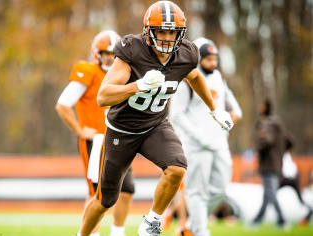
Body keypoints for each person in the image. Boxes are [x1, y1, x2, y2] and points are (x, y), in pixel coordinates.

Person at [76, 1, 234, 236]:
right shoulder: (132, 50)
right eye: (161, 31)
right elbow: (103, 96)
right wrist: (137, 86)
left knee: (177, 168)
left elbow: (195, 76)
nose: (167, 38)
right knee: (105, 200)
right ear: (149, 31)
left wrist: (213, 109)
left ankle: (151, 222)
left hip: (155, 125)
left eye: (172, 32)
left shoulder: (186, 54)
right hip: (122, 130)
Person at [55, 30, 134, 236]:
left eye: (114, 53)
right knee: (96, 192)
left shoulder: (124, 74)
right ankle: (91, 233)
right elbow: (63, 105)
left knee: (126, 190)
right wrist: (80, 130)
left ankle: (118, 232)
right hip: (97, 141)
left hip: (120, 139)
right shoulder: (88, 71)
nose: (110, 57)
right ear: (97, 53)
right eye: (106, 53)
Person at [168, 37, 242, 236]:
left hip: (219, 144)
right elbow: (176, 114)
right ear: (198, 58)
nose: (213, 63)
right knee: (196, 191)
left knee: (220, 188)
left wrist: (232, 117)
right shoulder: (186, 80)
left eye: (215, 58)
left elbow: (235, 109)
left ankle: (190, 227)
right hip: (195, 146)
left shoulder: (218, 77)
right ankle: (200, 230)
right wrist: (198, 135)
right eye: (208, 59)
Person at [251, 99, 287, 228]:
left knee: (270, 193)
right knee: (268, 194)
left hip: (268, 164)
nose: (260, 108)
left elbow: (267, 140)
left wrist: (257, 148)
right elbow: (289, 141)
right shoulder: (278, 122)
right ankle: (257, 220)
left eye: (262, 106)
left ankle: (282, 220)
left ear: (266, 108)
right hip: (276, 163)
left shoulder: (268, 123)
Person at [279, 138, 313, 227]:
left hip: (287, 179)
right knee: (300, 200)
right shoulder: (288, 155)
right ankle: (309, 212)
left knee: (272, 197)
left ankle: (282, 221)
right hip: (294, 179)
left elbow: (285, 170)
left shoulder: (283, 155)